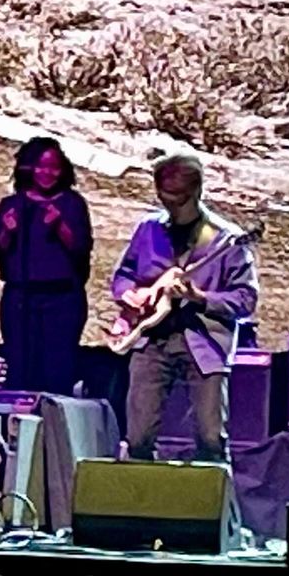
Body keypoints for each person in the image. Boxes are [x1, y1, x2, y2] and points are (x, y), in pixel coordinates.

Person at [112, 153, 258, 463]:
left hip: (203, 344)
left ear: (195, 192)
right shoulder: (149, 228)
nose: (168, 204)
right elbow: (123, 275)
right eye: (163, 195)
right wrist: (130, 297)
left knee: (209, 437)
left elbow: (246, 300)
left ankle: (211, 505)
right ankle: (138, 503)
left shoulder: (225, 240)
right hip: (151, 340)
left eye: (176, 197)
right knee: (137, 438)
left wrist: (200, 297)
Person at [0, 137, 94, 394]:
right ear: (28, 168)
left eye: (54, 167)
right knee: (21, 366)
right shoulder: (13, 204)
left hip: (62, 297)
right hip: (21, 297)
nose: (47, 173)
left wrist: (60, 225)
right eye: (41, 166)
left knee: (57, 368)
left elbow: (81, 247)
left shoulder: (72, 203)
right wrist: (8, 231)